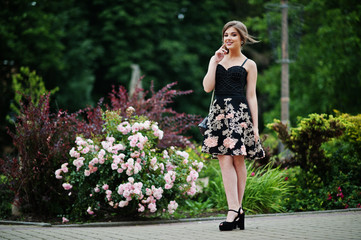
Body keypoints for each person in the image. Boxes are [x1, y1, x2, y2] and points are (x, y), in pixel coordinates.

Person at [201, 20, 265, 231]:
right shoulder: (217, 59)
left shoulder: (249, 64)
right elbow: (207, 87)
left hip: (239, 114)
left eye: (233, 35)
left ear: (242, 39)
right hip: (219, 114)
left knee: (239, 160)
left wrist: (255, 127)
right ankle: (234, 209)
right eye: (226, 34)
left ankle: (237, 210)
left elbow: (252, 96)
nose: (228, 38)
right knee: (224, 159)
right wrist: (214, 62)